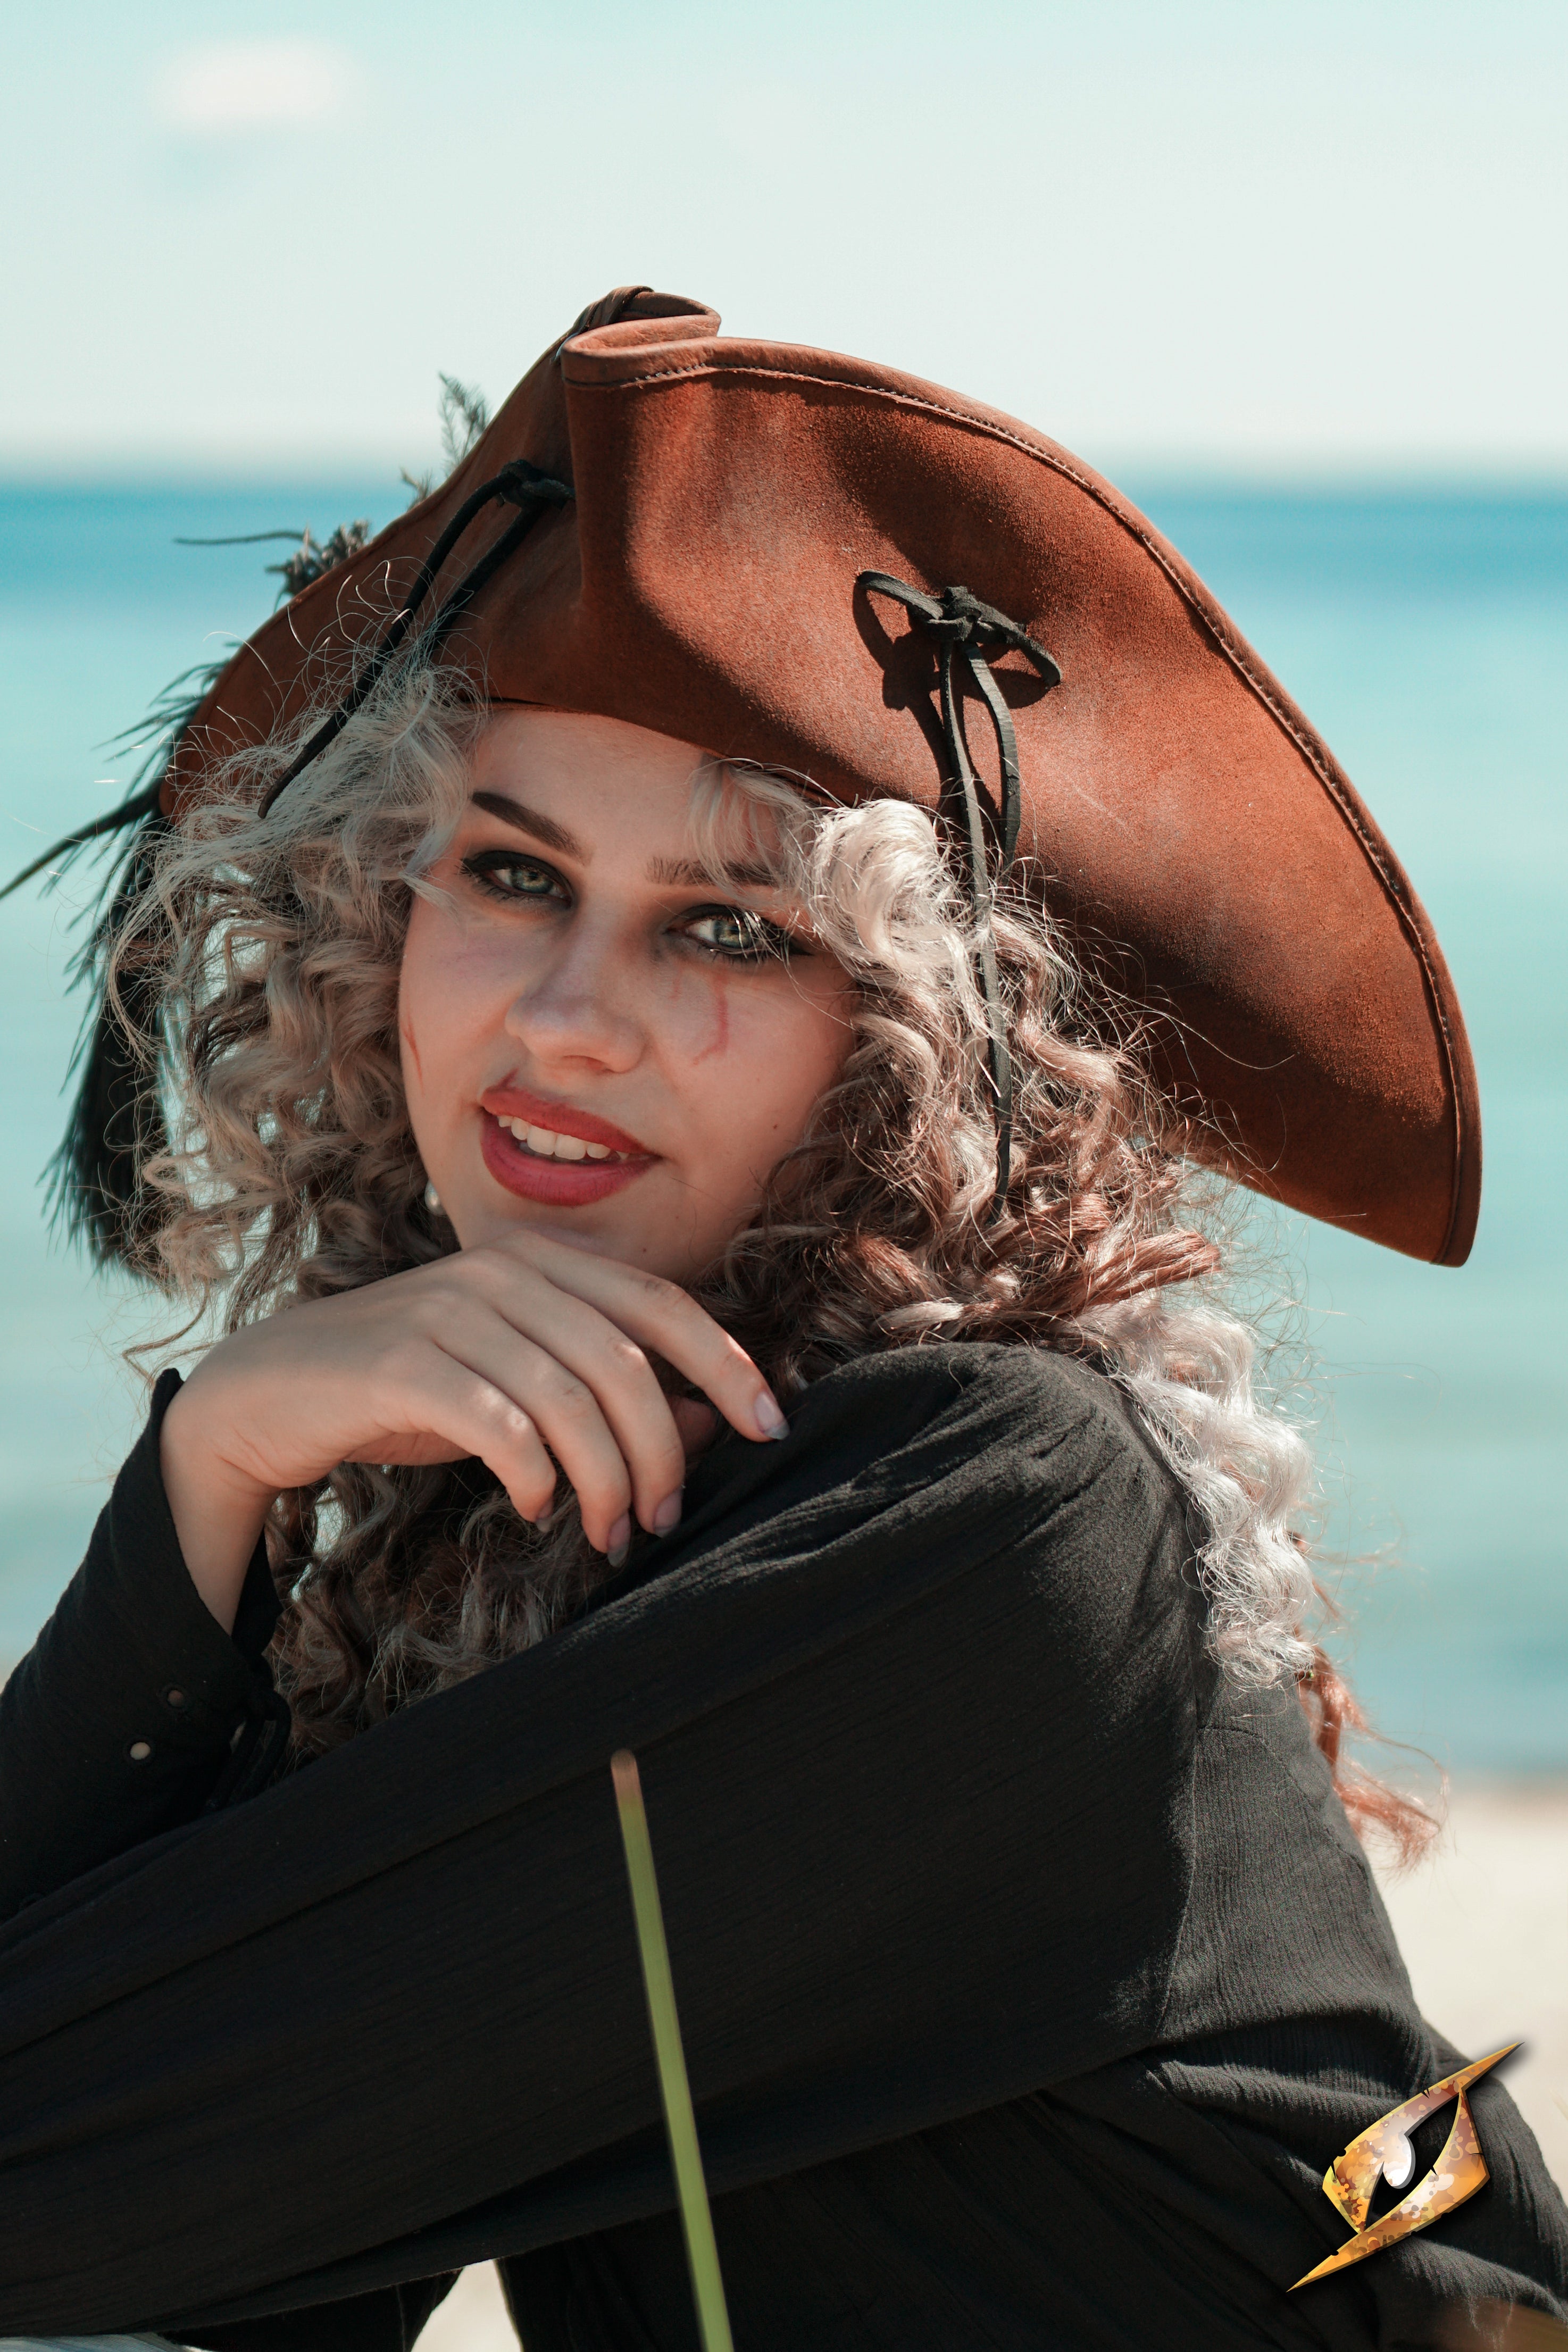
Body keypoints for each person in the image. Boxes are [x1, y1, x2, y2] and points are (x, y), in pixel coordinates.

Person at [0, 286, 1563, 2352]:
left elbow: (59, 2182)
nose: (564, 1018)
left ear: (904, 1036)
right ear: (378, 913)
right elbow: (220, 2278)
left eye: (727, 922)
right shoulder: (504, 1515)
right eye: (509, 872)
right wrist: (217, 1474)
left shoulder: (994, 1513)